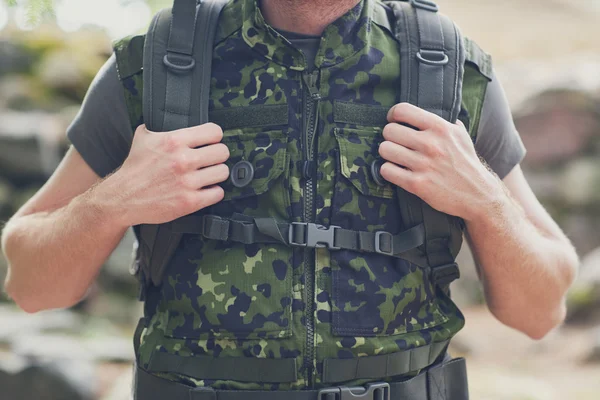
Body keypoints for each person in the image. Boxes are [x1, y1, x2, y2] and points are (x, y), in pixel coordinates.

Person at [1, 0, 579, 398]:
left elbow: (540, 311)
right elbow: (29, 283)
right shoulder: (159, 66)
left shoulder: (448, 71)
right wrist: (113, 202)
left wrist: (485, 199)